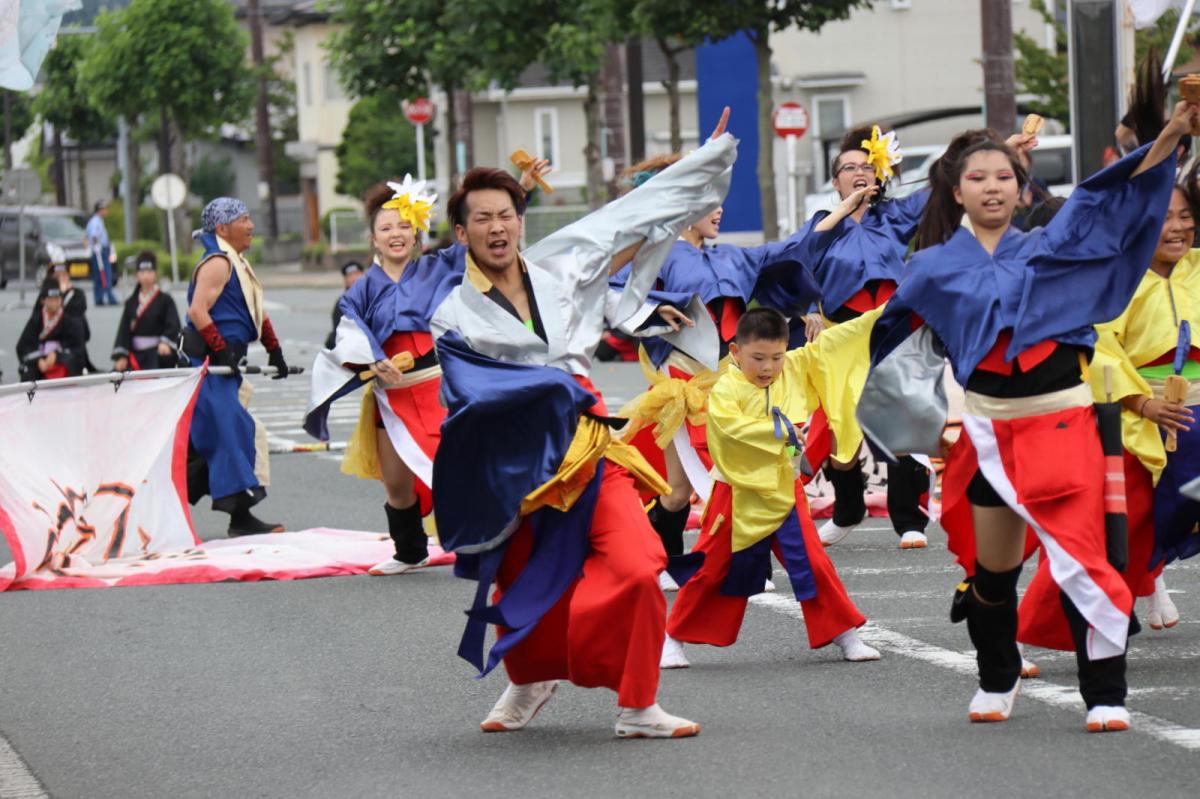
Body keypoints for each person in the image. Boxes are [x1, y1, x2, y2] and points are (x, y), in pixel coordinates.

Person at [860, 103, 1192, 732]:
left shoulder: (1051, 249)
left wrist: (1172, 135)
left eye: (1004, 176)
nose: (993, 186)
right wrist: (911, 418)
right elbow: (893, 343)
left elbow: (1106, 200)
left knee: (1080, 559)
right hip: (987, 431)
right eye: (979, 177)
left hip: (1061, 425)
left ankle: (1105, 693)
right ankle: (997, 674)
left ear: (1021, 186)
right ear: (956, 190)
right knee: (993, 574)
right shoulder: (930, 268)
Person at [429, 110, 735, 739]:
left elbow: (625, 223)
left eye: (506, 214)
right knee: (522, 581)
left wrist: (699, 167)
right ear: (461, 232)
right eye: (481, 217)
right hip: (515, 464)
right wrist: (549, 385)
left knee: (635, 565)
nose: (497, 226)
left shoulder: (559, 269)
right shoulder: (451, 316)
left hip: (589, 447)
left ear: (520, 221)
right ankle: (529, 680)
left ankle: (638, 703)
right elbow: (470, 390)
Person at [612, 156, 824, 589]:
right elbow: (616, 290)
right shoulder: (660, 253)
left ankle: (671, 559)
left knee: (677, 491)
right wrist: (655, 308)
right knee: (717, 482)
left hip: (727, 385)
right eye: (709, 200)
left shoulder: (727, 255)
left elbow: (788, 249)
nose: (720, 209)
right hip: (683, 389)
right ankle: (730, 565)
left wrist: (840, 211)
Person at [661, 308, 879, 668]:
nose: (768, 367)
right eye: (758, 358)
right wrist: (782, 432)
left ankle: (845, 633)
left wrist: (896, 307)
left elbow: (843, 339)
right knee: (711, 567)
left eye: (777, 357)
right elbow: (728, 430)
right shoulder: (726, 388)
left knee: (812, 560)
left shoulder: (793, 368)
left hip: (783, 488)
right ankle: (673, 637)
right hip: (736, 491)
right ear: (735, 352)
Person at [306, 177, 463, 575]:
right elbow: (349, 329)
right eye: (386, 228)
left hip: (436, 389)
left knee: (452, 468)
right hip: (389, 394)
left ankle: (478, 545)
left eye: (403, 226)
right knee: (396, 482)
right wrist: (372, 359)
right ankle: (410, 551)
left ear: (415, 233)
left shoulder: (436, 268)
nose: (396, 234)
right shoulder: (363, 288)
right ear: (374, 239)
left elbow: (484, 238)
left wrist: (521, 193)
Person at [795, 125, 933, 550]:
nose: (858, 173)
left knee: (902, 420)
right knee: (843, 431)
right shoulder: (824, 224)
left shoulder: (893, 217)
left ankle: (909, 519)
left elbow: (944, 186)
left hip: (891, 330)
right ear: (835, 181)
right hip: (841, 336)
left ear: (879, 174)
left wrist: (1002, 151)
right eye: (848, 168)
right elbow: (794, 268)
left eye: (866, 166)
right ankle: (847, 510)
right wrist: (808, 311)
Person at [182, 197, 289, 537]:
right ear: (222, 228)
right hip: (208, 364)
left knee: (206, 441)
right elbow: (199, 312)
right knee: (231, 431)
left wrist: (275, 350)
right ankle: (239, 518)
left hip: (225, 365)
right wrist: (220, 350)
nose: (251, 225)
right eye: (244, 219)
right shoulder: (217, 263)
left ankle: (156, 503)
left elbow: (259, 312)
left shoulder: (237, 262)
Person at [112, 251, 181, 371]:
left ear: (156, 274)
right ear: (136, 275)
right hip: (135, 353)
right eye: (142, 272)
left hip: (157, 351)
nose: (146, 276)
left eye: (150, 272)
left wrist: (165, 342)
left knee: (164, 360)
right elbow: (124, 331)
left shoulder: (165, 300)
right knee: (119, 373)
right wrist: (122, 355)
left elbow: (173, 325)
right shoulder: (131, 303)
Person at [17, 277, 88, 381]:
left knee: (69, 365)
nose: (54, 303)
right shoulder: (36, 319)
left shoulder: (68, 320)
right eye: (51, 300)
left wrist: (57, 354)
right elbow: (23, 346)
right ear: (43, 301)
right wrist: (38, 360)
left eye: (57, 299)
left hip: (61, 360)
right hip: (40, 361)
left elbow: (78, 347)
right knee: (29, 374)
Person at [324, 261, 365, 350]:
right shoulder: (342, 304)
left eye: (357, 274)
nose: (355, 278)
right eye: (350, 275)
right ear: (345, 281)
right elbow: (338, 332)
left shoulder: (374, 298)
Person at [85, 199, 117, 306]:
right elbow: (94, 235)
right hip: (99, 252)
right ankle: (109, 297)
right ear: (100, 210)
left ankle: (100, 298)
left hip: (101, 250)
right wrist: (96, 246)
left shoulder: (98, 220)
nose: (106, 211)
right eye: (104, 209)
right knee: (104, 275)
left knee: (100, 275)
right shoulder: (95, 221)